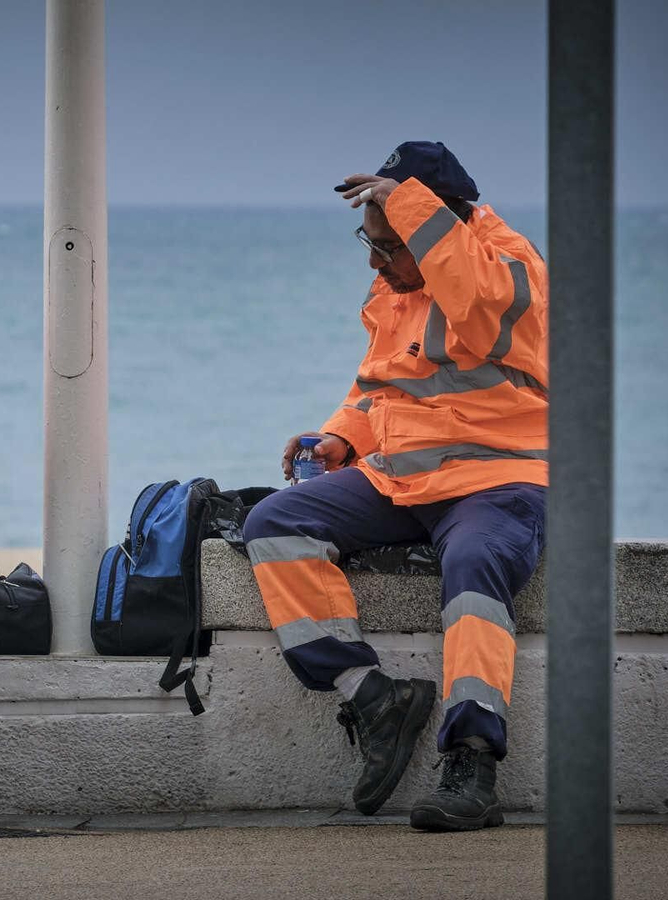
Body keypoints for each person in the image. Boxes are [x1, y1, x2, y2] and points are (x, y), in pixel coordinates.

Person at [242, 142, 547, 831]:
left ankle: (472, 761)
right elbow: (381, 382)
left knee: (473, 565)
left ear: (439, 225)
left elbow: (477, 299)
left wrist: (408, 205)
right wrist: (342, 437)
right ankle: (373, 697)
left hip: (498, 481)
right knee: (273, 524)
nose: (374, 262)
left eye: (388, 246)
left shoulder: (509, 267)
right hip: (402, 476)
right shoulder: (397, 285)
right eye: (369, 242)